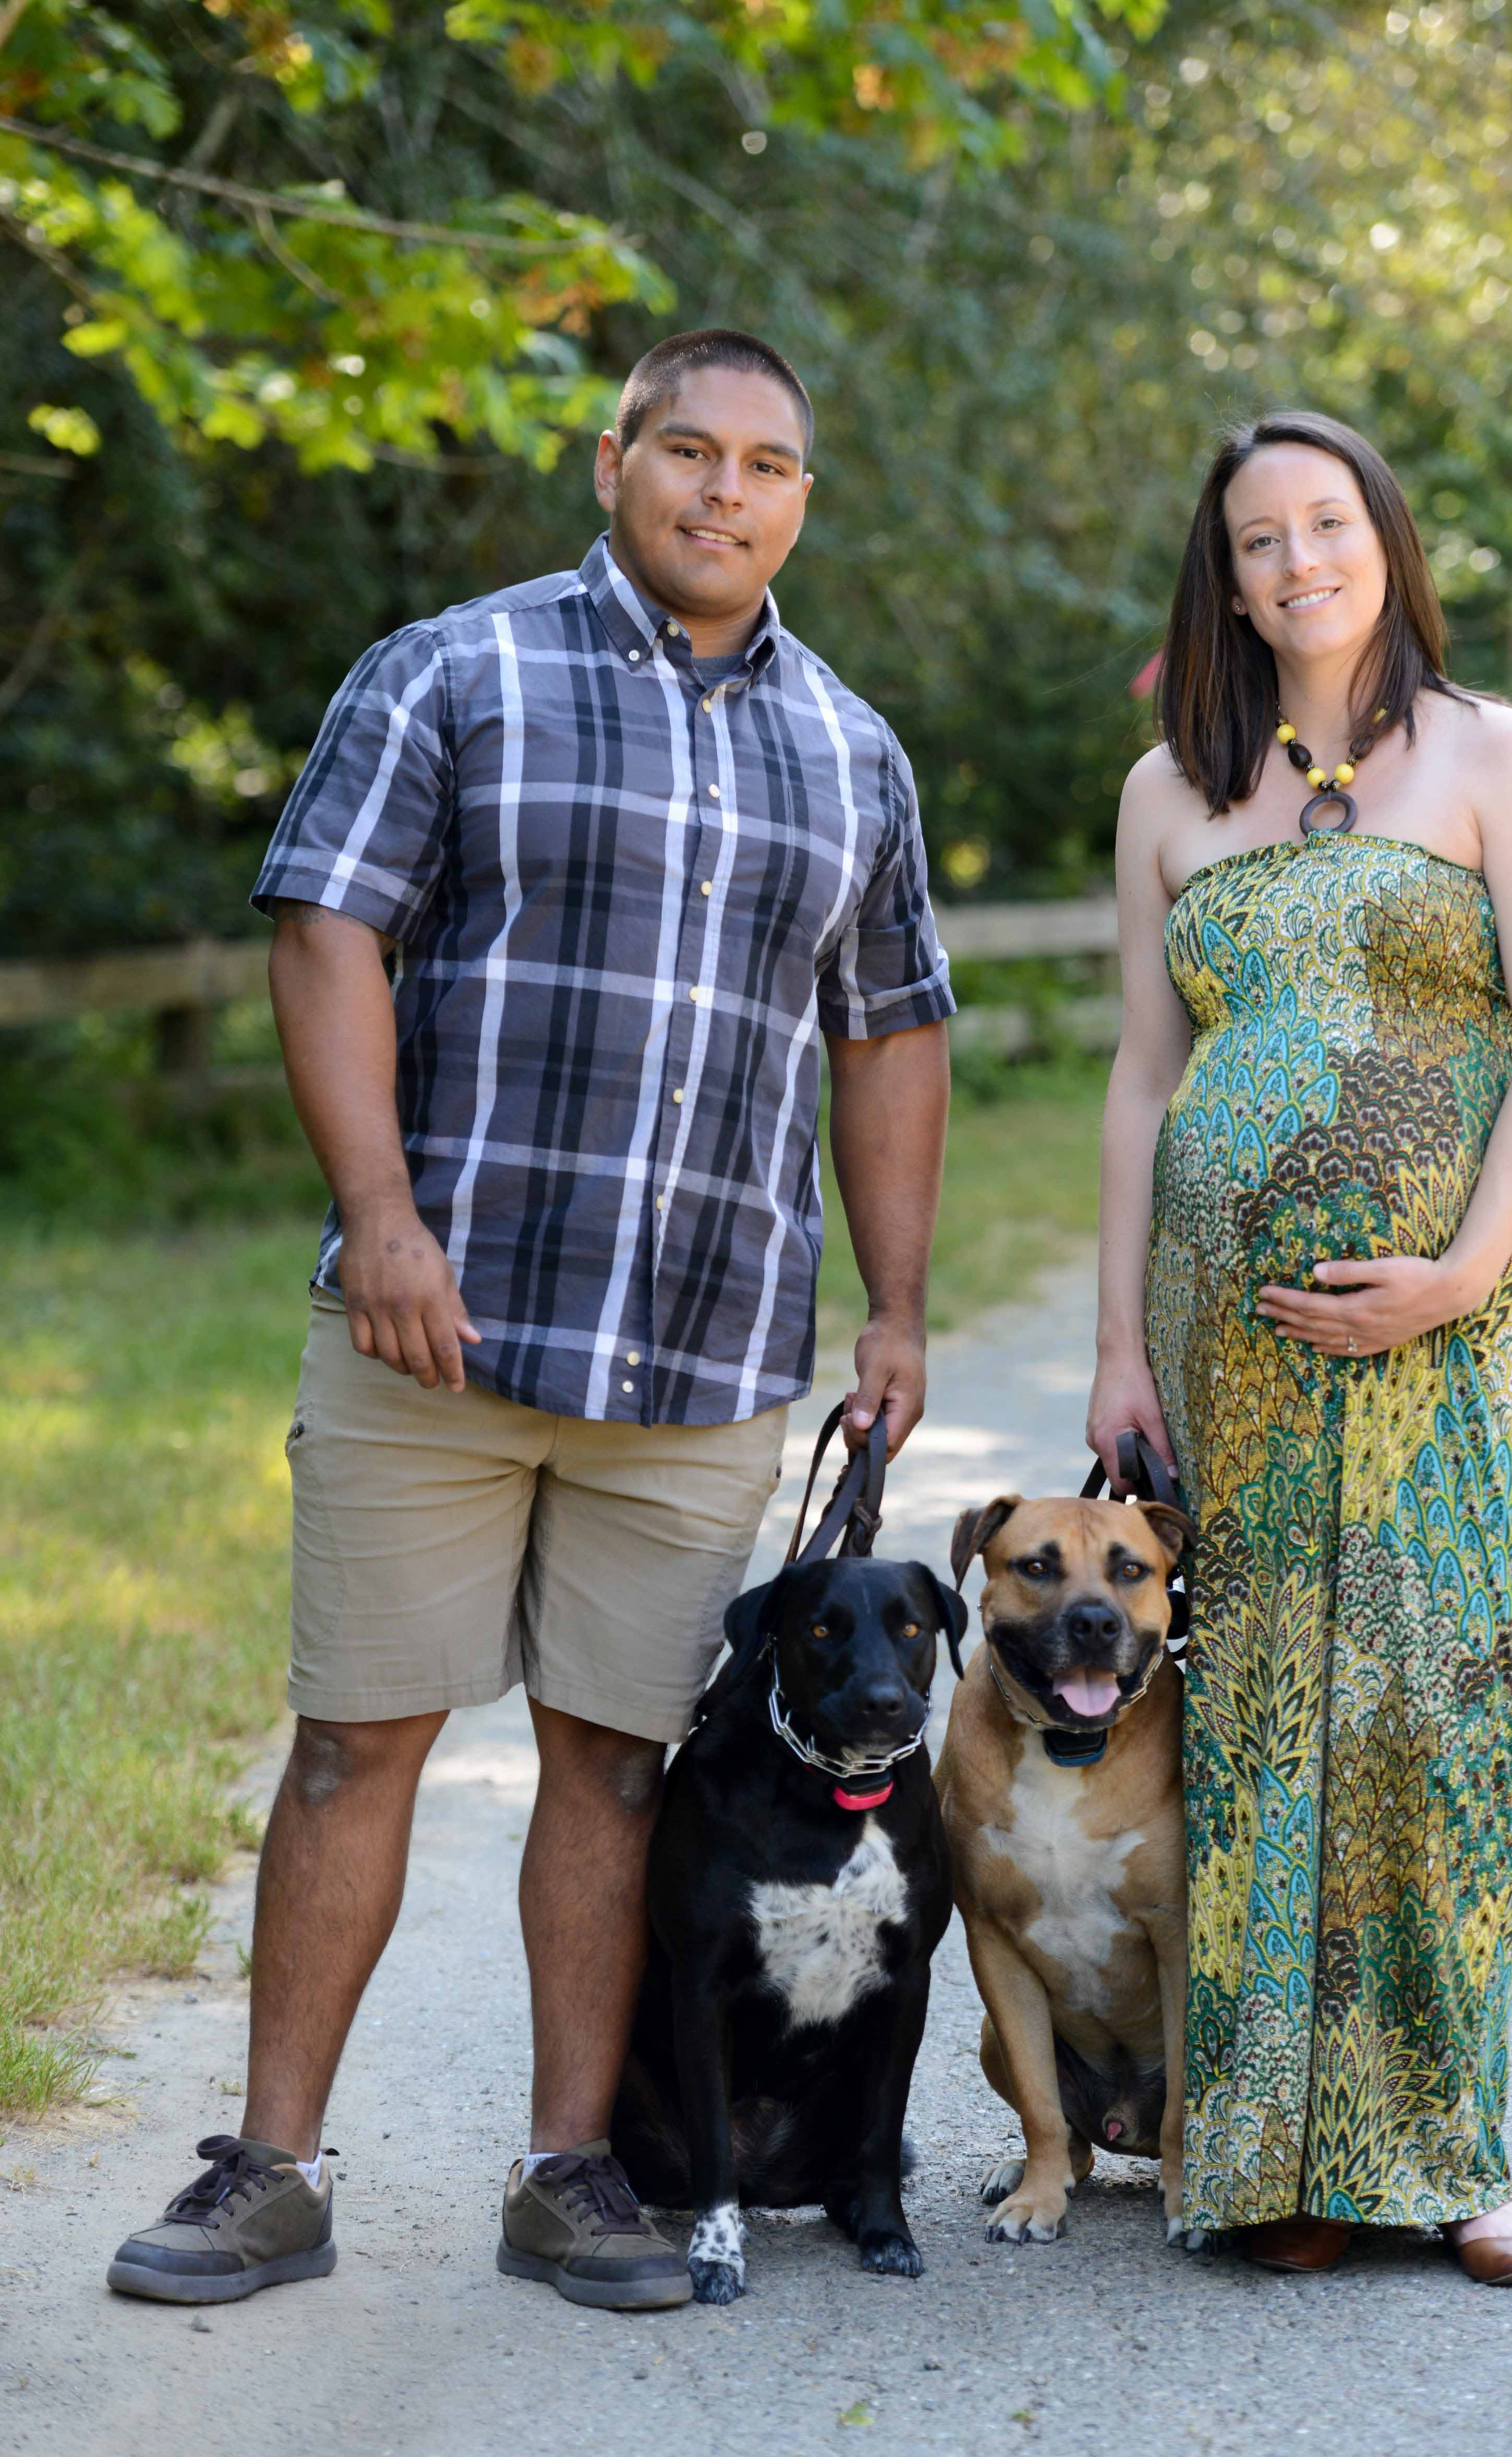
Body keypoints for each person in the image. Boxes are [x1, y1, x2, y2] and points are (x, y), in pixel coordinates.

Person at [107, 328, 954, 2315]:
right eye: (686, 451)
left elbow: (890, 1032)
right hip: (441, 1332)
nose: (723, 491)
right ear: (613, 462)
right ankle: (271, 2167)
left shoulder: (852, 748)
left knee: (612, 1766)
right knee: (355, 1744)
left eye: (766, 465)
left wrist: (898, 1304)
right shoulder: (450, 671)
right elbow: (327, 929)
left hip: (700, 1360)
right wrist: (378, 1214)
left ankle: (569, 2171)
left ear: (800, 500)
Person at [1087, 411, 1512, 2284]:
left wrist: (1461, 1271)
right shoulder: (1169, 792)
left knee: (1431, 1713)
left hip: (1454, 1330)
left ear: (1382, 535)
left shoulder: (1497, 757)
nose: (1296, 559)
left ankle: (1444, 2159)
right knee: (1246, 1724)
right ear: (1219, 575)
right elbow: (1146, 1083)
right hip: (1225, 1342)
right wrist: (1113, 1350)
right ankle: (1270, 2161)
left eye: (1326, 521)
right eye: (1255, 537)